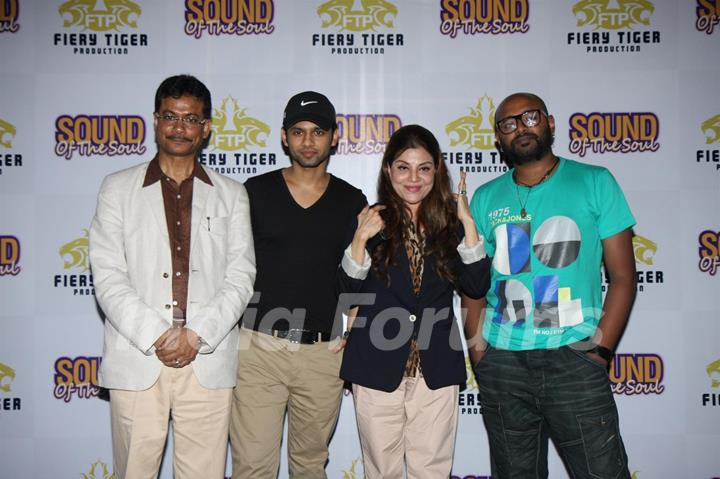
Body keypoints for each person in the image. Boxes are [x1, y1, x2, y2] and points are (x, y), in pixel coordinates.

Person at [89, 74, 256, 479]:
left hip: (207, 358)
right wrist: (157, 335)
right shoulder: (117, 188)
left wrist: (197, 333)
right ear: (155, 120)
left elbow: (241, 274)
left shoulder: (232, 194)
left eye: (191, 119)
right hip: (138, 357)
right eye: (170, 116)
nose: (180, 127)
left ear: (207, 127)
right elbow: (108, 275)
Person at [467, 92, 636, 479]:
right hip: (504, 364)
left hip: (574, 360)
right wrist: (481, 352)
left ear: (551, 123)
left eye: (530, 118)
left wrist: (599, 351)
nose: (521, 128)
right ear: (498, 138)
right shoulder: (485, 197)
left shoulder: (595, 181)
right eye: (508, 124)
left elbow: (623, 277)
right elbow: (473, 284)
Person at [338, 124, 491, 478]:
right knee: (382, 471)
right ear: (388, 169)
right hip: (375, 364)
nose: (413, 178)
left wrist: (468, 224)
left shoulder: (450, 226)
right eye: (403, 167)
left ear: (436, 171)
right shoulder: (370, 221)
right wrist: (360, 239)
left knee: (432, 471)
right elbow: (345, 293)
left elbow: (476, 284)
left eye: (424, 168)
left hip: (435, 367)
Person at [229, 91, 367, 478]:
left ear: (334, 137)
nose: (308, 141)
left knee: (310, 467)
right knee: (252, 466)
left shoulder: (350, 200)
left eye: (318, 131)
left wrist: (351, 324)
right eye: (299, 131)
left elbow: (362, 272)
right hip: (259, 349)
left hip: (322, 355)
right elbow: (230, 268)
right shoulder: (253, 193)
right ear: (284, 137)